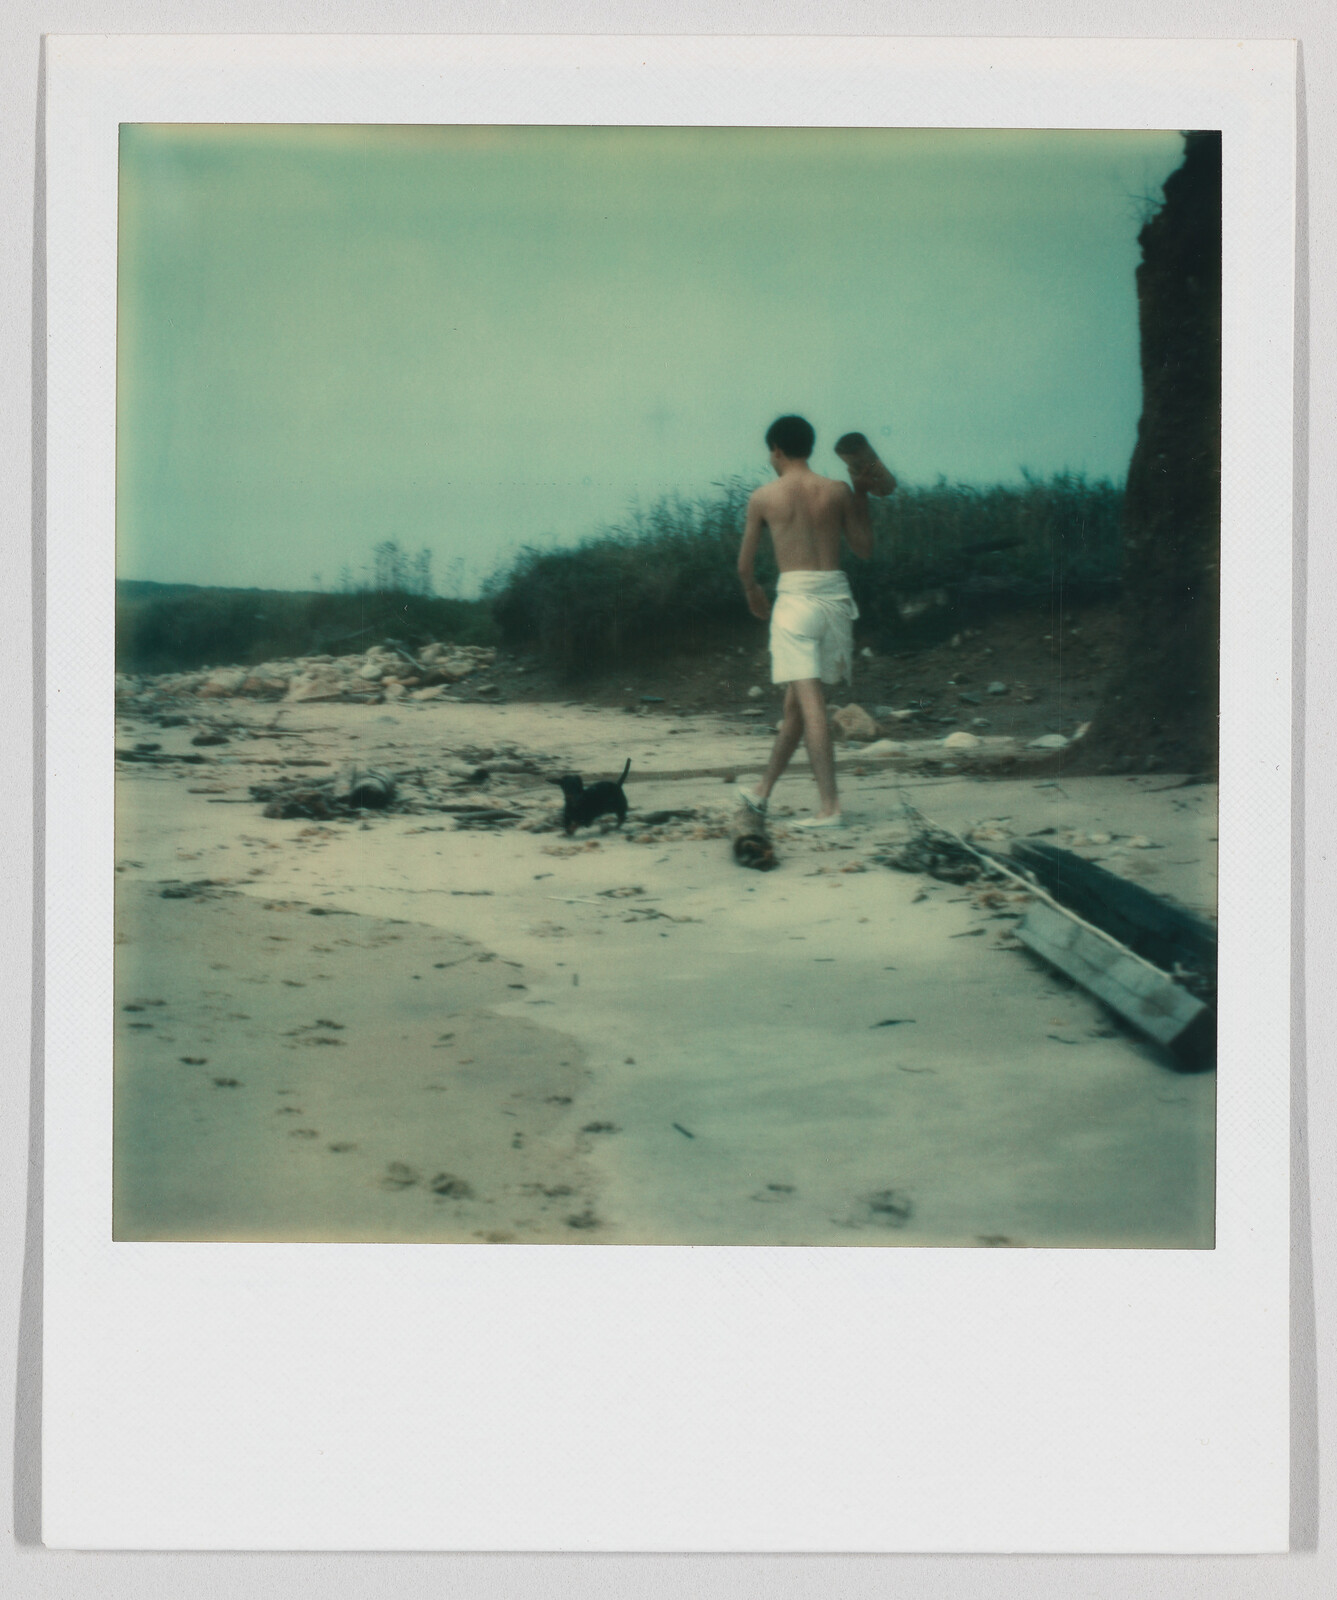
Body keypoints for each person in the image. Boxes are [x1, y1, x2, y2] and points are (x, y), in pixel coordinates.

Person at [736, 414, 883, 827]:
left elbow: (744, 566)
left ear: (777, 450)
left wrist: (754, 593)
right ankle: (762, 791)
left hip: (796, 600)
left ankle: (830, 808)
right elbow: (865, 549)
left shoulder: (764, 497)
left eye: (771, 451)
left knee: (811, 705)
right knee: (798, 707)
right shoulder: (837, 490)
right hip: (836, 599)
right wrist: (862, 493)